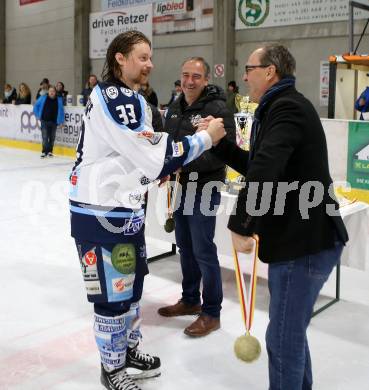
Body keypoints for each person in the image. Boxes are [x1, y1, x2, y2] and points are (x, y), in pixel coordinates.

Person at [68, 31, 225, 390]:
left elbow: (141, 154)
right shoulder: (112, 95)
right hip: (101, 213)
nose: (150, 64)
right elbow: (151, 156)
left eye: (150, 57)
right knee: (112, 296)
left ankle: (128, 350)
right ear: (120, 58)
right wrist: (204, 139)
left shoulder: (132, 98)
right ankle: (112, 368)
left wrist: (159, 164)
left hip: (125, 209)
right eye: (142, 56)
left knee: (132, 286)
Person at [204, 44, 348, 390]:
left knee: (283, 337)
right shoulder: (277, 108)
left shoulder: (287, 108)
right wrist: (222, 145)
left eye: (250, 68)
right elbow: (261, 163)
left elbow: (265, 168)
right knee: (290, 333)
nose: (245, 75)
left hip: (306, 245)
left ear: (270, 71)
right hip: (299, 241)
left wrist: (241, 222)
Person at [157, 57, 236, 337]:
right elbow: (170, 144)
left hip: (206, 186)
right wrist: (166, 167)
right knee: (185, 245)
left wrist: (182, 164)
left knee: (203, 248)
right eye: (185, 75)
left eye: (196, 77)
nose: (189, 82)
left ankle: (212, 312)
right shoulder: (176, 106)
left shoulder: (217, 108)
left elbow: (222, 152)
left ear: (205, 79)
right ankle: (190, 299)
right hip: (181, 186)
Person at [33, 85, 64, 158]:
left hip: (54, 121)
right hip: (44, 120)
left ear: (55, 92)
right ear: (48, 92)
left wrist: (61, 121)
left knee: (52, 137)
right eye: (50, 91)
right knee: (45, 136)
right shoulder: (43, 98)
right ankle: (44, 151)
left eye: (53, 91)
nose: (51, 93)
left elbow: (61, 111)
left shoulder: (59, 99)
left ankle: (50, 151)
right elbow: (36, 106)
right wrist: (37, 115)